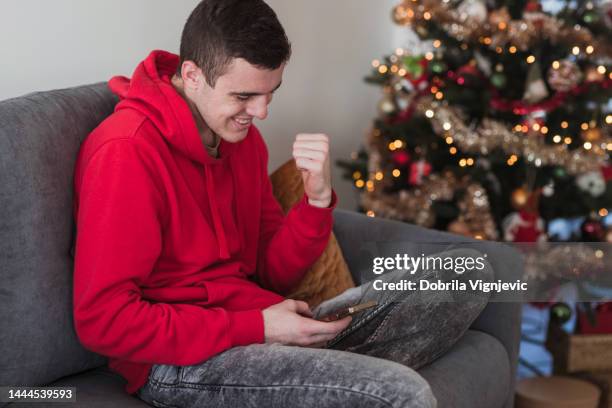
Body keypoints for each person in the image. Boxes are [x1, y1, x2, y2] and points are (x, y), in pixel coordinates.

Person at [72, 1, 491, 407]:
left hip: (263, 323)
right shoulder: (126, 152)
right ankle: (351, 380)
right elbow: (103, 321)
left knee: (468, 272)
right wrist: (256, 327)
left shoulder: (242, 142)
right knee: (403, 393)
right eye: (244, 97)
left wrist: (316, 201)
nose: (261, 113)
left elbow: (272, 272)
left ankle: (334, 376)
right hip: (178, 364)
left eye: (270, 93)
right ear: (192, 75)